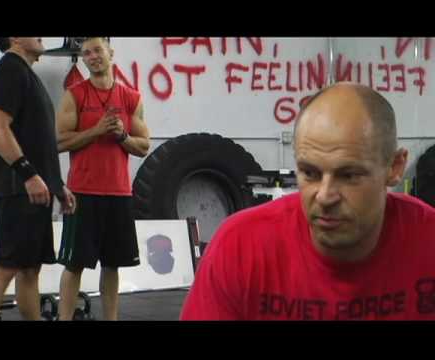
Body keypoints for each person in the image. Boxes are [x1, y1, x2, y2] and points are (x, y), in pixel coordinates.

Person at [180, 82, 435, 320]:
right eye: (310, 173)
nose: (324, 196)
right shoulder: (239, 248)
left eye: (349, 175)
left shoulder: (427, 241)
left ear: (395, 166)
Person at [0, 37, 76, 320]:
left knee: (30, 268)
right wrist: (28, 174)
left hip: (35, 190)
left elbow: (37, 141)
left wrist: (57, 185)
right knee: (5, 267)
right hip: (17, 189)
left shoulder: (25, 74)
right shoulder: (9, 70)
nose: (42, 37)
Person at [56, 37, 150, 320]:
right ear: (82, 60)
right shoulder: (75, 94)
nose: (92, 56)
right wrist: (96, 131)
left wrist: (121, 135)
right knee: (74, 265)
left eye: (97, 50)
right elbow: (59, 142)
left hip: (119, 193)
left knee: (112, 265)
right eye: (86, 53)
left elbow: (144, 146)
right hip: (82, 193)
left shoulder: (131, 97)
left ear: (110, 52)